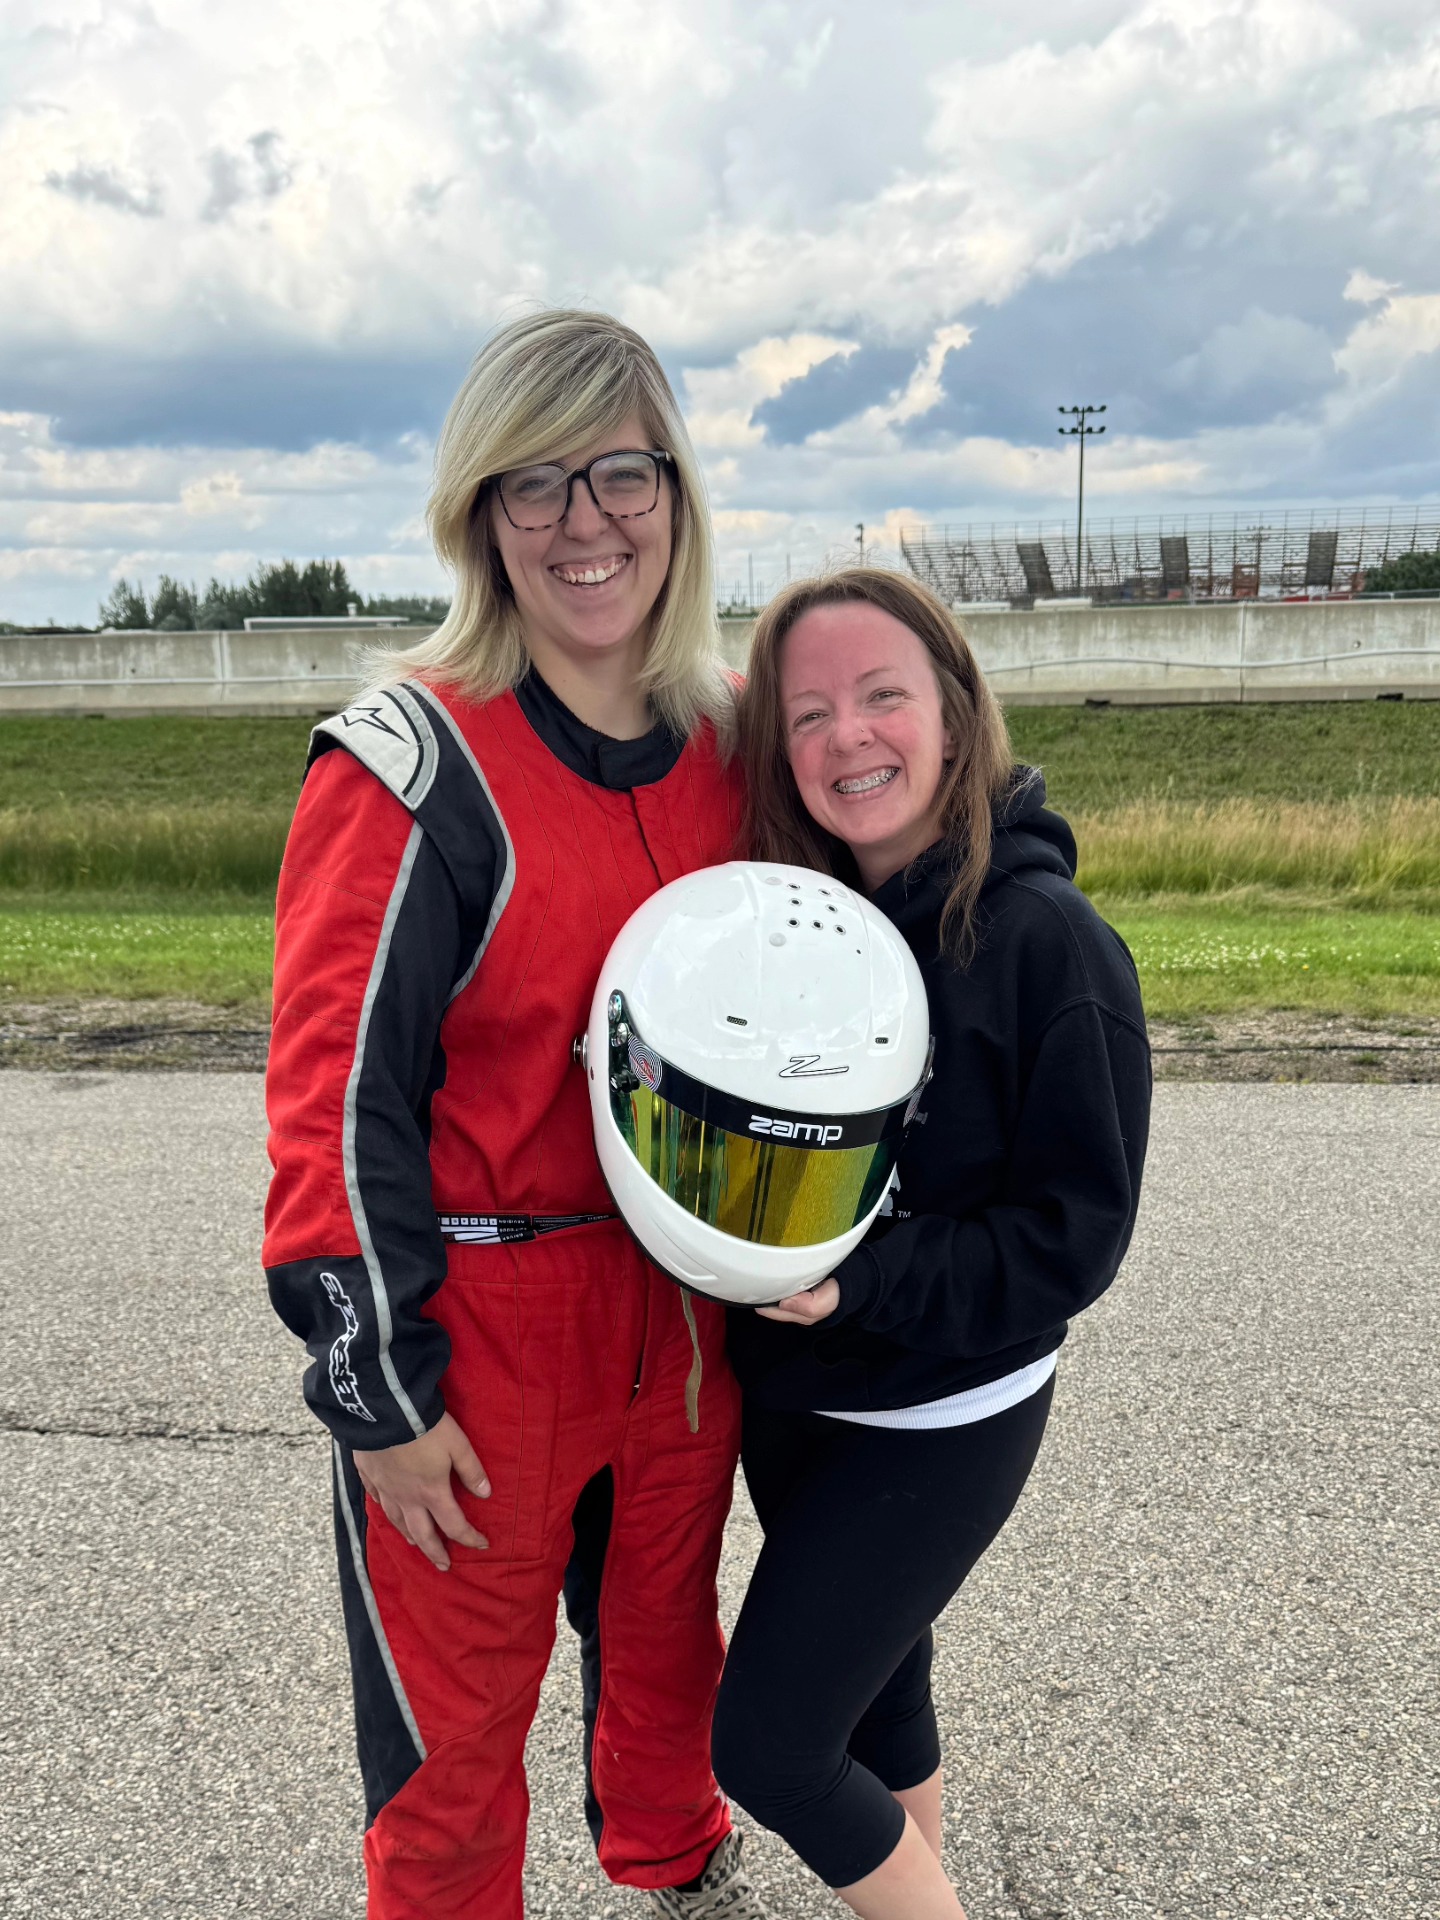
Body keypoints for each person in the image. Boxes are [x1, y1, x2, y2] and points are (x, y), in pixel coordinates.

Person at [262, 310, 768, 1920]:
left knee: (672, 1668)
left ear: (675, 496)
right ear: (481, 512)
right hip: (482, 1324)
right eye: (535, 482)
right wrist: (383, 1394)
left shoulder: (733, 746)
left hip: (683, 1313)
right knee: (453, 1751)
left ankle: (680, 1867)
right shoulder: (415, 764)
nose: (584, 522)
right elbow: (335, 1107)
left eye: (622, 473)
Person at [713, 568, 1152, 1920]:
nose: (850, 737)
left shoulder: (1049, 945)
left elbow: (1070, 1245)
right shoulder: (797, 925)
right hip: (799, 1394)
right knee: (882, 1694)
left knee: (772, 1746)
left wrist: (863, 1279)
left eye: (884, 696)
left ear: (956, 714)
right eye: (810, 712)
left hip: (943, 1412)